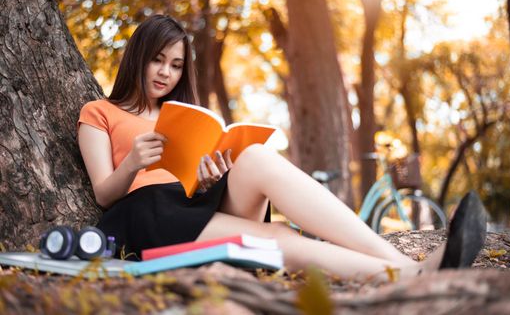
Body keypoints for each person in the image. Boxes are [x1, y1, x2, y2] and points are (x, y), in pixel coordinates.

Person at [77, 14, 487, 280]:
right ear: (138, 57)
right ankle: (410, 277)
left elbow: (190, 183)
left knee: (254, 157)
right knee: (277, 238)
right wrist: (132, 162)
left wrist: (207, 180)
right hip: (146, 215)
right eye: (158, 60)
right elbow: (103, 194)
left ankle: (401, 267)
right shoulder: (99, 112)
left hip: (191, 205)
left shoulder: (182, 113)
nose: (166, 72)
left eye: (176, 64)